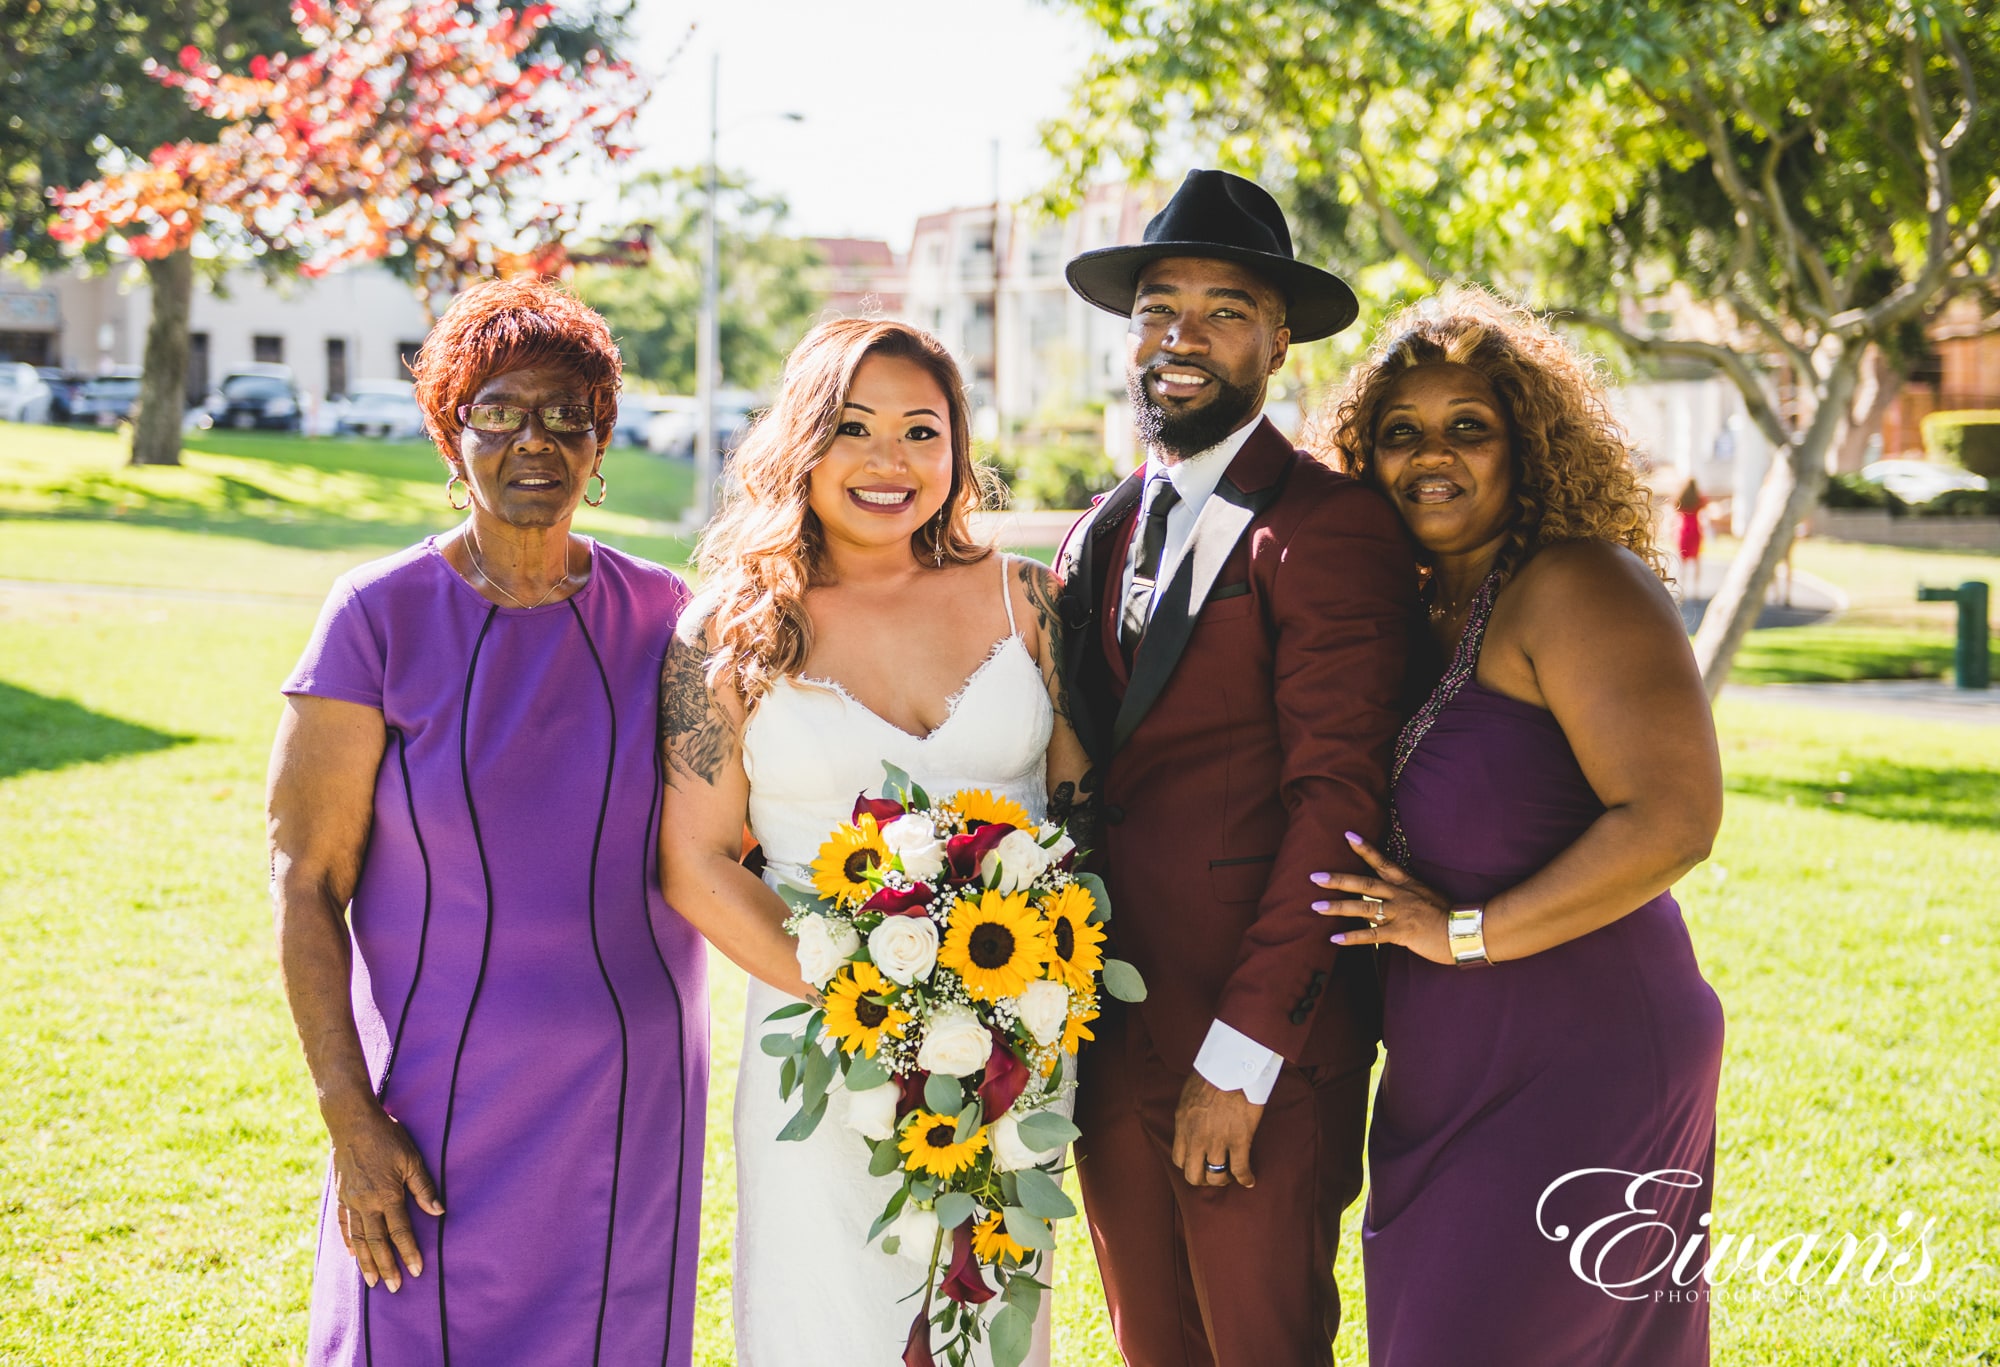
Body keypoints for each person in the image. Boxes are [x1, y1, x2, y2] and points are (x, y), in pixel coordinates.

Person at [266, 278, 707, 1366]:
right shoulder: (374, 616)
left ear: (601, 441)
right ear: (448, 433)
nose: (535, 440)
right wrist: (350, 1120)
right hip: (435, 1102)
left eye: (569, 414)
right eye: (499, 410)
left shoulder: (669, 614)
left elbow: (743, 818)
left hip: (632, 1099)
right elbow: (305, 880)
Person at [656, 318, 1092, 1366]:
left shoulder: (1029, 600)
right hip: (818, 1041)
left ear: (957, 449)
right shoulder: (729, 629)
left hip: (1009, 1041)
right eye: (853, 427)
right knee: (828, 1316)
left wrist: (994, 993)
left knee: (985, 1321)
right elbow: (696, 861)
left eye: (920, 430)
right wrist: (873, 995)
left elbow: (1086, 811)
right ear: (801, 441)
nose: (889, 461)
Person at [1307, 291, 1725, 1365]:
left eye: (1467, 428)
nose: (1430, 456)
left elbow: (1675, 818)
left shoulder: (1575, 584)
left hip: (1587, 1056)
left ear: (1525, 447)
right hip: (1441, 1066)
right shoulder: (1404, 608)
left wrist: (1459, 931)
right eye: (1398, 433)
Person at [1053, 169, 1416, 1367]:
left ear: (1274, 339)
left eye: (1221, 309)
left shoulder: (1328, 527)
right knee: (1151, 1342)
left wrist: (1242, 1056)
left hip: (1251, 1049)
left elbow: (1338, 804)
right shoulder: (1100, 526)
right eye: (1158, 306)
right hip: (1109, 1038)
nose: (1181, 336)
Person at [1674, 477, 1707, 596]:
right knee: (1697, 561)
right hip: (1695, 531)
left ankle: (1682, 588)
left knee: (1683, 562)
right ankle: (1696, 590)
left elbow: (1674, 509)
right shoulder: (1697, 500)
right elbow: (1705, 501)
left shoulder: (1681, 498)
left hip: (1683, 530)